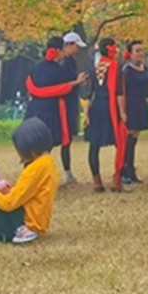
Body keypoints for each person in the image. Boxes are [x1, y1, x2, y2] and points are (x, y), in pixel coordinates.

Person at [24, 36, 87, 162]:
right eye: (63, 49)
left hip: (34, 109)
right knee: (47, 144)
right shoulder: (58, 70)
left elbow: (30, 84)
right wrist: (77, 82)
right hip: (51, 110)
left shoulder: (37, 66)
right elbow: (63, 88)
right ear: (58, 50)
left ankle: (30, 168)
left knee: (35, 144)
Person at [87, 37, 127, 192]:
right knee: (120, 142)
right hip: (111, 108)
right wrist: (122, 112)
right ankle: (117, 178)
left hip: (96, 107)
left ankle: (96, 180)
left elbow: (89, 93)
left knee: (94, 145)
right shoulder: (116, 67)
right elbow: (119, 91)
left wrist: (86, 114)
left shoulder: (95, 68)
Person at [121, 40, 148, 185]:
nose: (140, 53)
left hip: (141, 104)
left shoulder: (144, 68)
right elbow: (122, 90)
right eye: (137, 51)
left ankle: (131, 169)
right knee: (127, 139)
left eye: (142, 50)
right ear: (130, 53)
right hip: (130, 105)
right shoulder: (126, 71)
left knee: (134, 139)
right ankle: (123, 170)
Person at [60, 30, 86, 184]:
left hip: (70, 102)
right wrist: (77, 82)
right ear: (69, 45)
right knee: (64, 138)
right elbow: (62, 84)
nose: (77, 49)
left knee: (67, 138)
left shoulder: (71, 61)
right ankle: (66, 172)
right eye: (76, 46)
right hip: (64, 104)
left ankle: (68, 172)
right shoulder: (63, 63)